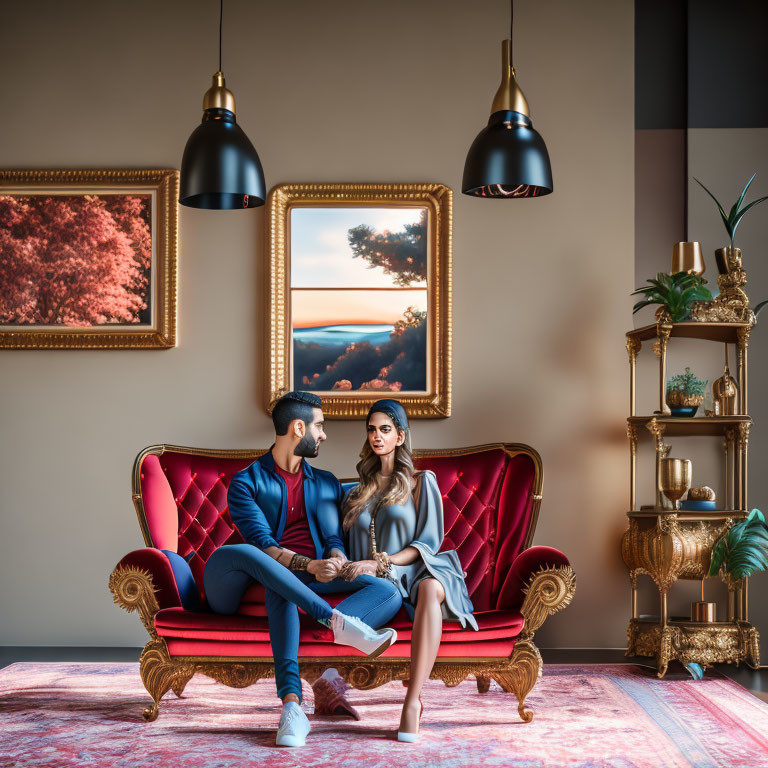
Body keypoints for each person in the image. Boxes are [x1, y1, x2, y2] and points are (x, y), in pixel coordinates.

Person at [203, 391, 403, 748]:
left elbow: (331, 536)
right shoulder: (246, 482)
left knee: (386, 589)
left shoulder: (324, 482)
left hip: (302, 583)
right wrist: (309, 564)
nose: (324, 434)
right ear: (299, 428)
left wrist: (337, 560)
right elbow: (263, 544)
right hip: (240, 580)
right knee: (248, 554)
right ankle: (332, 620)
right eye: (319, 426)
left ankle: (292, 708)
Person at [340, 399, 478, 743]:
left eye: (385, 429)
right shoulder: (357, 492)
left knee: (430, 589)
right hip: (376, 583)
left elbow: (428, 542)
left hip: (421, 570)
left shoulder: (420, 482)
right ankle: (328, 687)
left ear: (400, 436)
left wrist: (382, 561)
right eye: (371, 429)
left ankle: (412, 701)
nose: (377, 436)